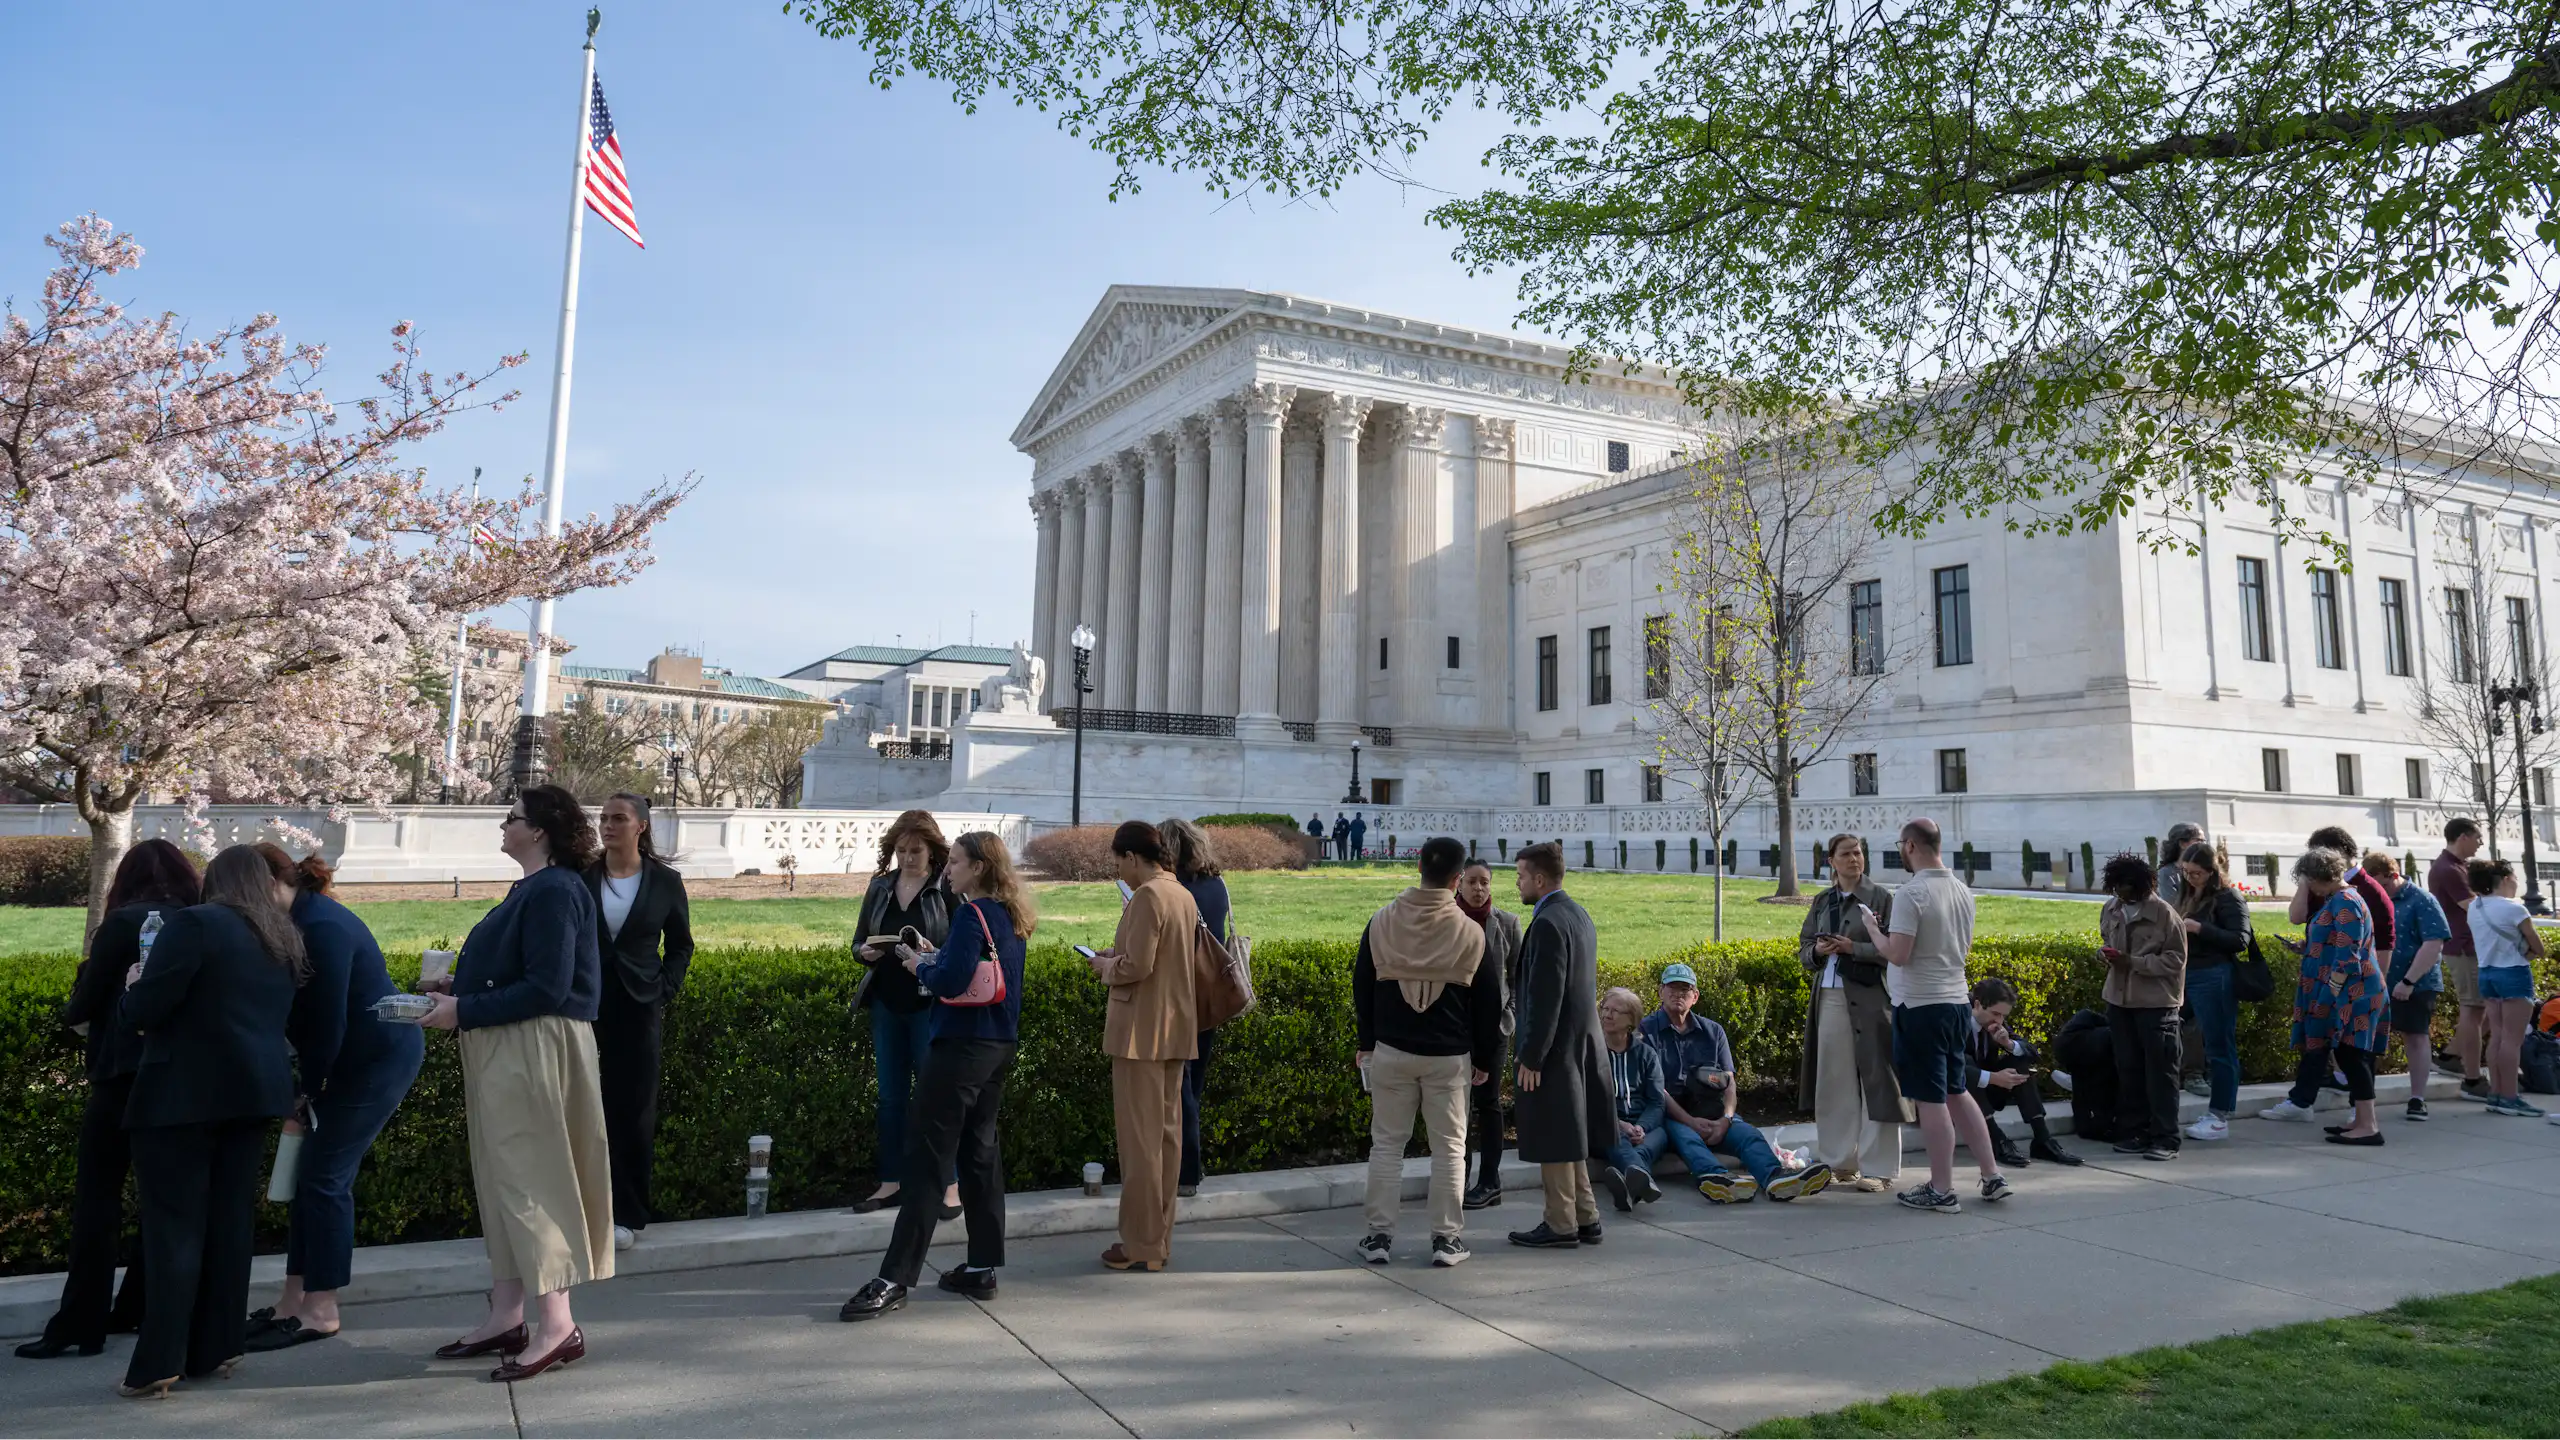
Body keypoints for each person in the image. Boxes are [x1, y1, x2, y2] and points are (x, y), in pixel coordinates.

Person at [419, 785, 613, 1383]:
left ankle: (559, 1325)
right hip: (511, 1044)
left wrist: (465, 1011)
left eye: (514, 818)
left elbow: (549, 986)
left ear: (541, 830)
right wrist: (461, 995)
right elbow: (527, 976)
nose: (504, 825)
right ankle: (508, 1315)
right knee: (505, 1181)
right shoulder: (537, 888)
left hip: (533, 1045)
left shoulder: (555, 889)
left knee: (533, 1181)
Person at [116, 845, 303, 1399]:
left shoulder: (195, 925)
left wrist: (132, 987)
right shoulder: (283, 939)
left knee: (174, 1229)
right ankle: (217, 1346)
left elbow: (147, 1009)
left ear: (214, 880)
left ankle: (157, 1363)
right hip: (251, 1093)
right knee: (228, 1225)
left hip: (180, 1095)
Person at [840, 831, 1035, 1319]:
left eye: (958, 863)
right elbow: (978, 974)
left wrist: (917, 966)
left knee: (927, 1159)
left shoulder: (971, 915)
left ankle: (894, 1278)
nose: (949, 870)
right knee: (980, 1154)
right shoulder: (1010, 916)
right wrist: (934, 955)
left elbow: (949, 983)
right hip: (997, 1045)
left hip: (959, 1049)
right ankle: (982, 1265)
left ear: (979, 868)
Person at [18, 841, 198, 1362]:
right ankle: (136, 1306)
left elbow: (83, 1005)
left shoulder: (122, 925)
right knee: (160, 1201)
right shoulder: (200, 922)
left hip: (120, 1075)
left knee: (98, 1199)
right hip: (177, 1077)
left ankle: (80, 1321)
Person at [247, 848, 424, 1351]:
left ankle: (320, 1309)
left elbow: (328, 1024)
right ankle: (291, 1300)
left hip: (375, 1060)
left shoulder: (319, 927)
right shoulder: (301, 917)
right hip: (352, 1057)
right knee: (312, 1177)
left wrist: (308, 1090)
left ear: (270, 885)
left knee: (325, 1178)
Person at [1353, 837, 1501, 1266]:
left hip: (1392, 1050)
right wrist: (1485, 1059)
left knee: (1386, 1147)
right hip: (1449, 1056)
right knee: (1449, 1149)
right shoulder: (1470, 931)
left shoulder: (1381, 921)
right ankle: (1446, 1240)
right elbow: (1489, 1001)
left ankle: (1378, 1237)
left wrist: (1367, 1043)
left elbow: (1362, 985)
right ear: (1458, 879)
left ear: (1418, 865)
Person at [1862, 819, 2013, 1214]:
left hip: (1920, 1006)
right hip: (1956, 1002)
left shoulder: (1912, 893)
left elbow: (1898, 954)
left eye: (1900, 845)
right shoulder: (1963, 890)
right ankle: (1992, 1174)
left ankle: (1942, 1189)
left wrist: (1872, 930)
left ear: (1910, 846)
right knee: (1957, 1091)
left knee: (1931, 1100)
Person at [1082, 821, 1200, 1271]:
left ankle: (1142, 1246)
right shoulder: (1181, 893)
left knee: (1140, 1147)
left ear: (1132, 857)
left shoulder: (1149, 895)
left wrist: (1103, 966)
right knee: (1166, 1143)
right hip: (1173, 1031)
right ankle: (1157, 1240)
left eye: (1118, 861)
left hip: (1140, 1035)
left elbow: (1138, 965)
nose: (1118, 870)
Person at [582, 793, 694, 1250]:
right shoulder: (581, 878)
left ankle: (627, 1214)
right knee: (586, 1106)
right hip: (586, 1005)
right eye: (603, 819)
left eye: (618, 819)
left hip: (640, 1004)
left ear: (640, 826)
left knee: (634, 1110)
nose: (608, 826)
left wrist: (664, 986)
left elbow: (681, 944)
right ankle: (587, 1210)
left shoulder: (665, 881)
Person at [849, 810, 961, 1218]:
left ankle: (948, 1184)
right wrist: (863, 952)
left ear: (933, 851)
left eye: (916, 850)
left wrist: (935, 952)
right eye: (900, 850)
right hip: (887, 1002)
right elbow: (858, 940)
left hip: (929, 1003)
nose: (908, 858)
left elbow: (967, 949)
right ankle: (891, 1181)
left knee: (936, 1098)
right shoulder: (880, 888)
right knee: (890, 1098)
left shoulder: (947, 888)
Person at [1642, 966, 1833, 1201]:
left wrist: (1726, 1119)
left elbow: (1729, 1082)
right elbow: (1655, 1089)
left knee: (1749, 1136)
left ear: (1695, 996)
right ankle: (1719, 1179)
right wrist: (1690, 1121)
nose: (1678, 994)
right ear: (1661, 991)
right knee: (1687, 1138)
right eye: (1672, 987)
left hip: (1713, 1111)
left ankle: (1777, 1179)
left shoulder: (1713, 1032)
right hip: (1671, 1115)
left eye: (1685, 989)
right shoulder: (1646, 1031)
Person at [1506, 842, 1613, 1249]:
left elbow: (1545, 998)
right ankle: (1586, 1217)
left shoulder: (1549, 922)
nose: (1516, 883)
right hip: (1578, 1044)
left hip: (1554, 1050)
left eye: (1519, 876)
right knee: (1569, 1135)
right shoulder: (1577, 914)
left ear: (1539, 878)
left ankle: (1560, 1223)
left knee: (1554, 1136)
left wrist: (1531, 1055)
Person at [1796, 833, 1906, 1192]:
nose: (1854, 859)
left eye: (1858, 853)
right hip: (1829, 995)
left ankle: (1879, 1169)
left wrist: (1852, 948)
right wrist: (1820, 952)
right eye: (1846, 854)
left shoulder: (1880, 898)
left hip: (1871, 998)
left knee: (1877, 1080)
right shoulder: (1822, 900)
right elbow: (1803, 948)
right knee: (1833, 1081)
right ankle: (1839, 1161)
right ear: (1832, 860)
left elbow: (1894, 949)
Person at [2272, 847, 2391, 1144]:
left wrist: (2327, 998)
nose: (2307, 886)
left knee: (2353, 1056)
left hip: (2354, 992)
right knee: (2349, 1055)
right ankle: (2363, 1122)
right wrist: (2307, 947)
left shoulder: (2346, 901)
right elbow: (2336, 942)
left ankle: (2369, 1126)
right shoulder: (2338, 900)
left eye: (2307, 879)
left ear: (2318, 876)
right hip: (2348, 989)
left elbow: (2348, 958)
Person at [2099, 853, 2187, 1161]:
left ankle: (2166, 1137)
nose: (2119, 895)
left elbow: (2175, 961)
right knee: (2129, 1070)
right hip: (2119, 1000)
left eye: (2124, 888)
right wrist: (2106, 955)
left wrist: (2132, 962)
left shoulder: (2165, 915)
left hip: (2156, 1005)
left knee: (2161, 1073)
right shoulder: (2112, 908)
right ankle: (2135, 1132)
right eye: (2115, 889)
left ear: (2140, 885)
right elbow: (2105, 936)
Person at [1162, 817, 1230, 1199]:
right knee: (1194, 1083)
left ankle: (1186, 1169)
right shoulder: (1216, 884)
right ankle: (1190, 1166)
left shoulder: (1174, 891)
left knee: (1179, 1084)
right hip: (1211, 992)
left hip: (1180, 993)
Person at [2173, 843, 2252, 1142]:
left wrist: (2199, 928)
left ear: (2211, 871)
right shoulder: (2187, 894)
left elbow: (2240, 939)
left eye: (2197, 873)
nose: (2190, 878)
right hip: (2185, 975)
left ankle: (2219, 1116)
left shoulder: (2227, 896)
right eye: (2185, 872)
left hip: (2214, 975)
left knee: (2219, 1047)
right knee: (2155, 1030)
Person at [1458, 859, 1523, 1209]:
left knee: (1488, 1103)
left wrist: (1508, 1015)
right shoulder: (1448, 919)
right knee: (1457, 1107)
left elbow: (1516, 978)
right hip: (1456, 1028)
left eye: (1484, 882)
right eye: (1472, 882)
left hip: (1495, 1028)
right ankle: (1458, 1177)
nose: (1478, 888)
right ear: (1459, 884)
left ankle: (1489, 1182)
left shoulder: (1508, 923)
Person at [1964, 978, 2081, 1167]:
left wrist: (2008, 1044)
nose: (1999, 1021)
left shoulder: (1993, 1021)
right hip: (1954, 1099)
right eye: (1995, 1014)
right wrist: (1994, 1078)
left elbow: (2032, 1051)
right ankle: (1996, 1139)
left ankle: (2042, 1139)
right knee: (1967, 1064)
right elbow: (1951, 1068)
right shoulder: (1956, 1017)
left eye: (2003, 1016)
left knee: (2020, 1061)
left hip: (1986, 1093)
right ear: (1977, 1005)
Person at [2466, 858, 2549, 1119]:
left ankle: (2496, 1094)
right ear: (2504, 879)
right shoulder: (2514, 909)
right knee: (2513, 1040)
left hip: (2487, 973)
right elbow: (2538, 947)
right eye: (2514, 877)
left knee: (2498, 1035)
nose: (2517, 882)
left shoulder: (2474, 907)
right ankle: (2511, 1098)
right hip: (2513, 972)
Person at [2368, 852, 2446, 1124]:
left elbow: (2433, 943)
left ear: (2394, 874)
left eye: (2383, 884)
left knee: (2415, 1037)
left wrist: (2409, 982)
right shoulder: (2372, 899)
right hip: (2376, 981)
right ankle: (2364, 1101)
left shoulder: (2422, 900)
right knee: (2367, 1041)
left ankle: (2417, 1099)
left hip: (2416, 983)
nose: (2380, 891)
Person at [2429, 818, 2489, 1102]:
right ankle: (2472, 1079)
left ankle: (2451, 1054)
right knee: (2474, 1008)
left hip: (2471, 945)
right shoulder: (2448, 869)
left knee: (2487, 1008)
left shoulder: (2458, 867)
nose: (2481, 842)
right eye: (2478, 837)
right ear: (2463, 836)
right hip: (2463, 947)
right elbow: (2474, 907)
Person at [1593, 987, 1669, 1210]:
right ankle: (1645, 1180)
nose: (1607, 1015)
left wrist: (1641, 1127)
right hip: (1606, 1127)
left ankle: (1629, 1190)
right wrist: (1620, 1124)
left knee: (1657, 1137)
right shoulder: (1591, 1053)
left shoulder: (1646, 1054)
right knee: (1615, 1136)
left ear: (1631, 1020)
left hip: (1643, 1127)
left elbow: (1657, 1102)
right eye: (1605, 1008)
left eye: (1616, 1011)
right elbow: (1589, 1104)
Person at [2155, 823, 2204, 907]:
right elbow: (2172, 907)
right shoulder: (2166, 874)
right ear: (2182, 844)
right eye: (2199, 840)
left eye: (2204, 841)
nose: (2204, 845)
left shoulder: (2207, 871)